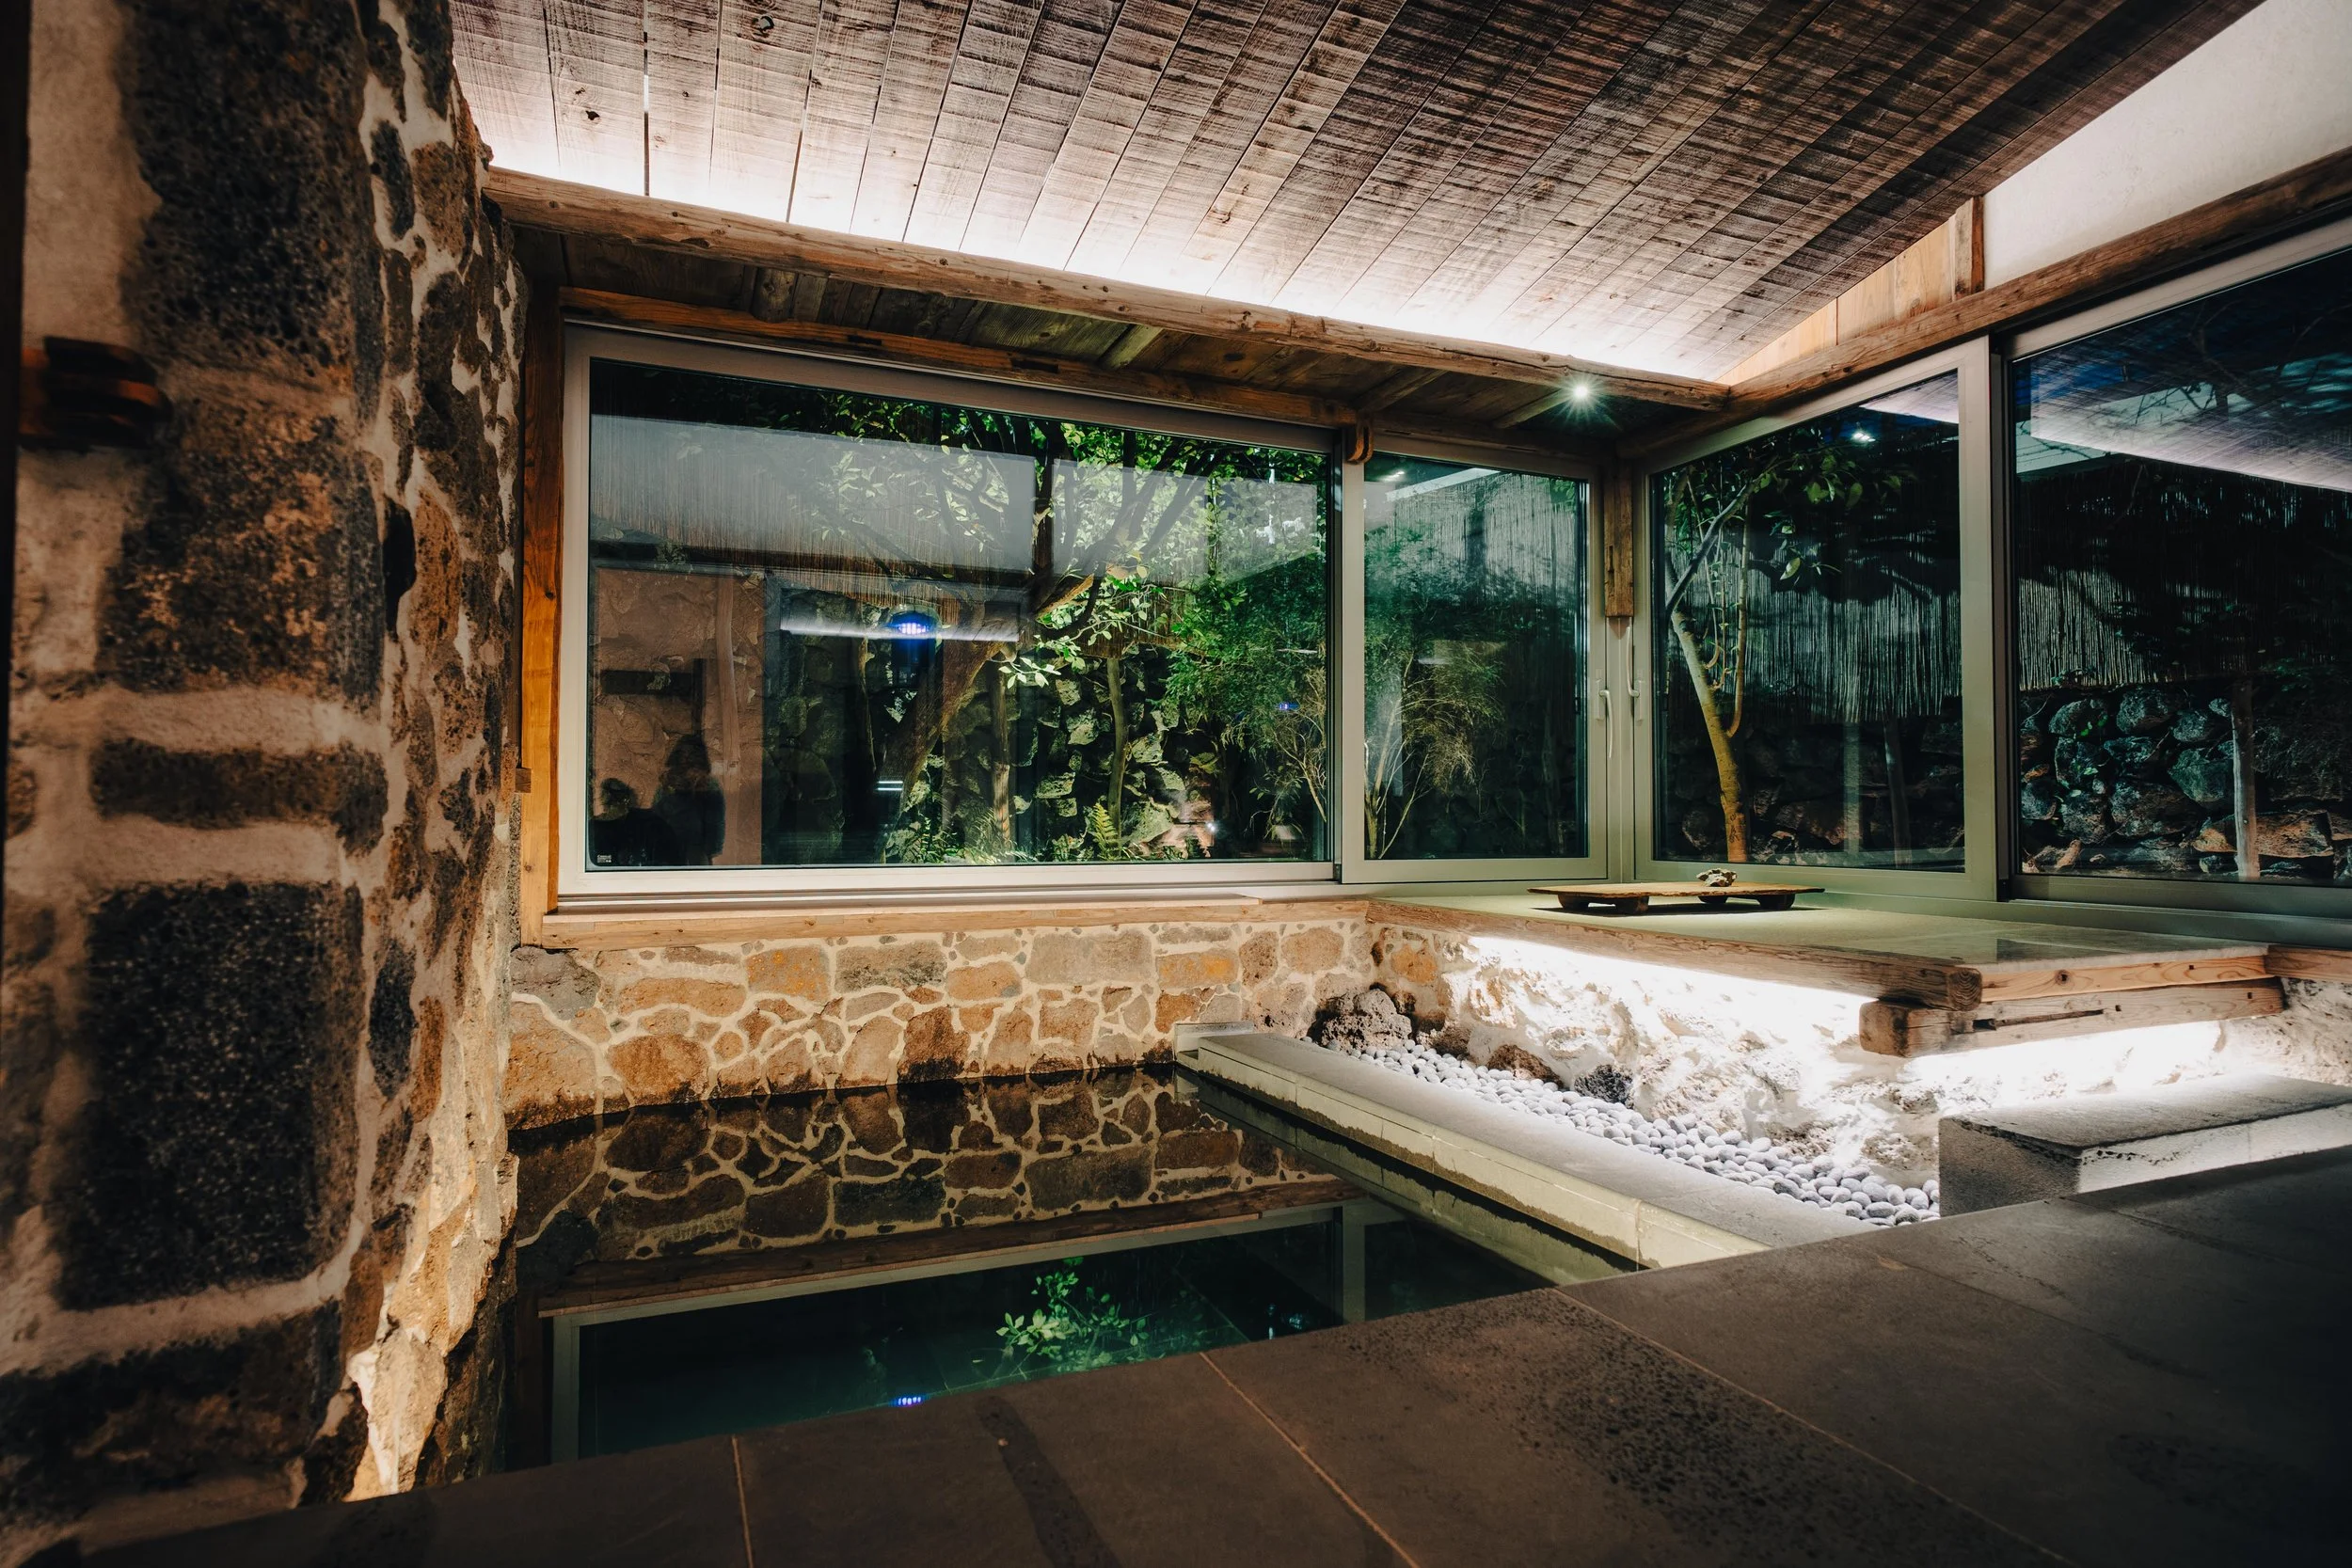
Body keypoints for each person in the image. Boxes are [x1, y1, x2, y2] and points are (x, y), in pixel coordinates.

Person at [653, 734, 726, 864]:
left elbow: (656, 819)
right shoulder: (709, 785)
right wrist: (712, 850)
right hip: (696, 852)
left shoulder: (666, 784)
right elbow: (715, 824)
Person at [590, 777, 681, 867]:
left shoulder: (652, 825)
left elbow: (667, 865)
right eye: (606, 803)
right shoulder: (594, 828)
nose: (608, 809)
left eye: (613, 801)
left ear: (626, 799)